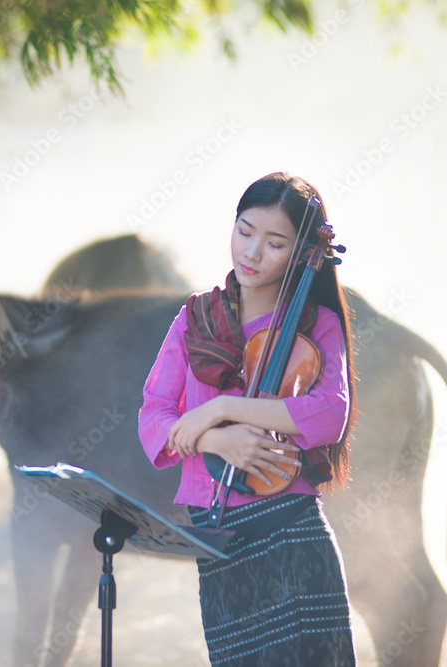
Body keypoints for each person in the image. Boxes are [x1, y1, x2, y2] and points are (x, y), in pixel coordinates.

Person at [138, 172, 357, 666]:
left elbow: (329, 414)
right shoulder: (193, 319)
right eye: (244, 231)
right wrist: (218, 441)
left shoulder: (315, 323)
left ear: (302, 253)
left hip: (292, 534)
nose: (252, 253)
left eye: (275, 242)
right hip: (218, 537)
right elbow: (154, 417)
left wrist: (221, 408)